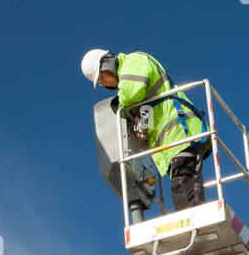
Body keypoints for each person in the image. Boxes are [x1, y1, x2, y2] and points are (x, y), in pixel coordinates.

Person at [81, 49, 209, 210]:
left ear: (107, 65)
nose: (102, 83)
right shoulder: (142, 95)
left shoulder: (133, 61)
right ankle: (196, 218)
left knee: (182, 183)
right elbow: (147, 110)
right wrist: (140, 123)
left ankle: (194, 222)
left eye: (101, 77)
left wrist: (123, 108)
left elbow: (130, 94)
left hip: (180, 131)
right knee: (184, 182)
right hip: (175, 138)